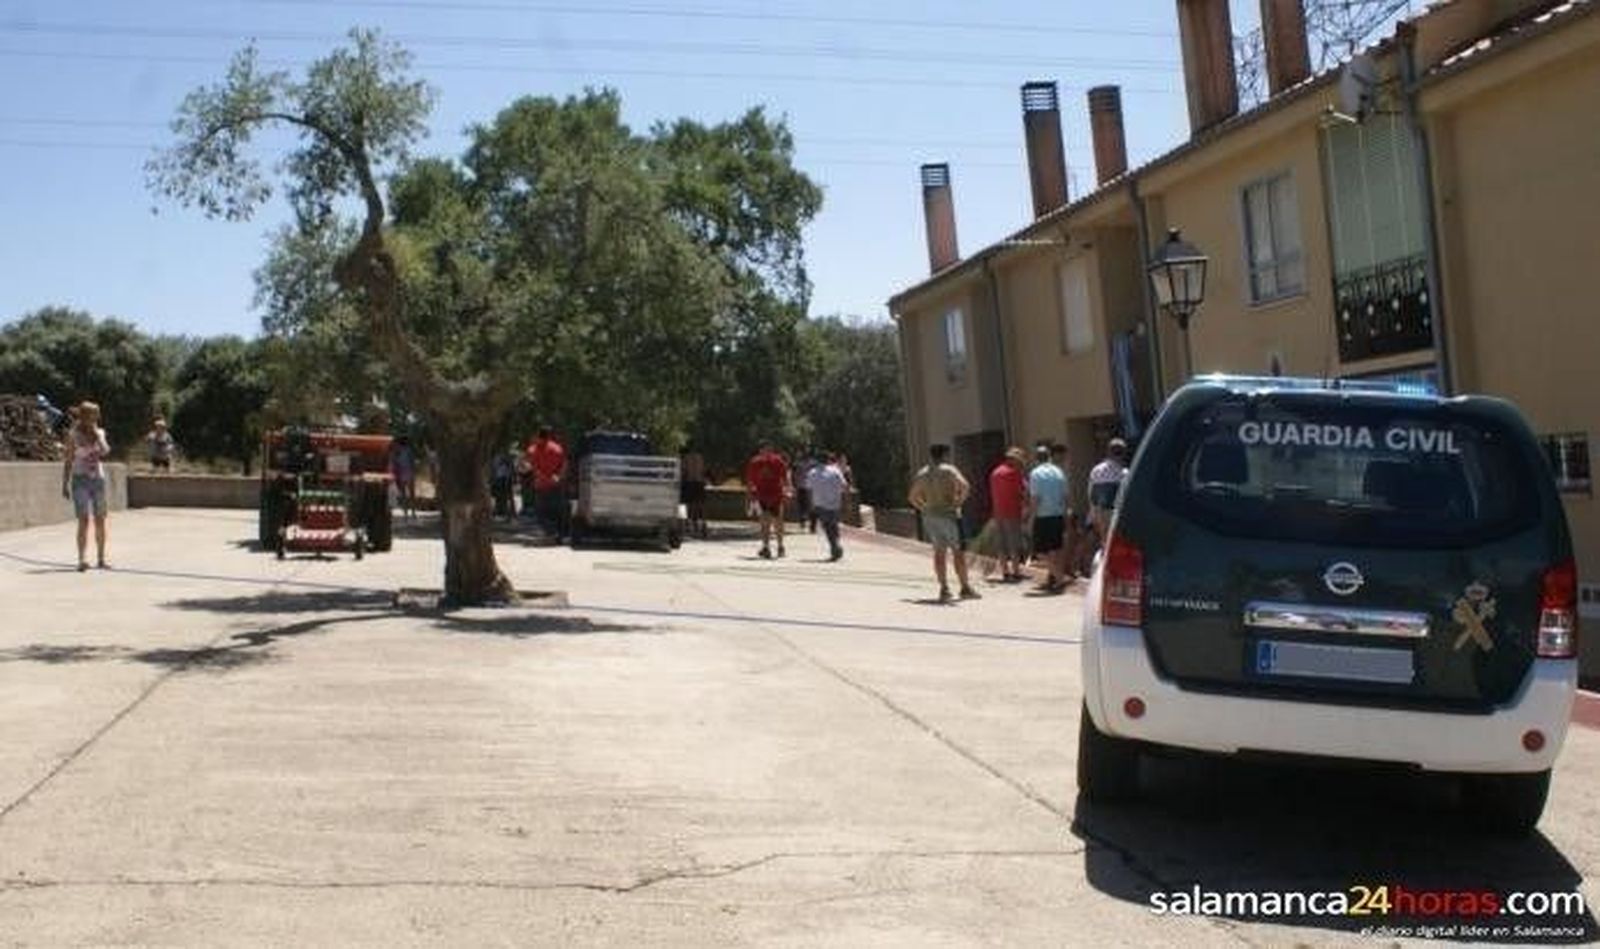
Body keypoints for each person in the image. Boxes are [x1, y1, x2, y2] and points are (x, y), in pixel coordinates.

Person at [908, 443, 980, 603]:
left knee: (939, 552)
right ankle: (965, 587)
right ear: (945, 455)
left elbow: (912, 497)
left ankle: (944, 588)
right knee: (957, 552)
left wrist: (924, 507)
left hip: (931, 516)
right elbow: (966, 486)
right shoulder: (949, 470)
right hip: (948, 515)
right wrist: (958, 502)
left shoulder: (923, 473)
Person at [61, 401, 111, 571]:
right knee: (83, 520)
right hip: (80, 479)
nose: (97, 417)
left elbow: (105, 451)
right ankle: (82, 559)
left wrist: (97, 436)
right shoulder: (73, 435)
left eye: (97, 414)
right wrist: (64, 483)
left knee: (100, 520)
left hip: (98, 479)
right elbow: (68, 460)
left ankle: (101, 559)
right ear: (84, 416)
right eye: (94, 414)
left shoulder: (100, 432)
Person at [1027, 444, 1070, 593]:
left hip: (1043, 516)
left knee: (1040, 552)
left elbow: (1035, 499)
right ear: (1049, 457)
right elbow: (1065, 497)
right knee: (1055, 550)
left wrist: (1030, 520)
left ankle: (1059, 578)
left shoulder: (1035, 474)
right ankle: (1053, 580)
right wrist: (1066, 517)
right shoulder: (1059, 472)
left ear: (1036, 458)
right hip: (1058, 515)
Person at [1084, 438, 1131, 569]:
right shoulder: (1125, 473)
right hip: (1117, 514)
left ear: (1108, 452)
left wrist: (1093, 514)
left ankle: (1104, 569)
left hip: (1100, 512)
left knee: (1104, 544)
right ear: (1123, 453)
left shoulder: (1096, 470)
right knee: (1117, 543)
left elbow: (1091, 494)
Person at [987, 447, 1030, 583]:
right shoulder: (1014, 473)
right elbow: (1024, 491)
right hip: (1012, 512)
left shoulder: (995, 473)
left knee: (1001, 544)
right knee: (1013, 544)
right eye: (1019, 461)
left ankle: (1005, 572)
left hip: (998, 512)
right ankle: (1016, 572)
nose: (1020, 464)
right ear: (1014, 460)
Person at [744, 441, 790, 559]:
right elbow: (785, 478)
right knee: (774, 522)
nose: (767, 452)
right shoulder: (775, 461)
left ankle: (771, 547)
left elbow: (750, 482)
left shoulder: (757, 462)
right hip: (769, 495)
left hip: (769, 495)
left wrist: (748, 499)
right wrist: (788, 491)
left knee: (769, 522)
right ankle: (774, 547)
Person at [527, 426, 568, 540]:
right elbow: (564, 464)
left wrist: (546, 478)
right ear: (549, 436)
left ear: (538, 436)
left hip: (542, 485)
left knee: (541, 512)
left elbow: (535, 469)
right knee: (557, 511)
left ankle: (551, 531)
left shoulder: (533, 450)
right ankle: (559, 534)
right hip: (556, 484)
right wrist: (558, 477)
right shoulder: (558, 448)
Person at [807, 451, 848, 561]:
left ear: (817, 460)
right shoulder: (836, 471)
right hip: (835, 502)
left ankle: (835, 546)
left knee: (827, 526)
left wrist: (811, 504)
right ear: (828, 460)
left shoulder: (812, 472)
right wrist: (844, 501)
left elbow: (809, 490)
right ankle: (836, 544)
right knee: (833, 525)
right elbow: (844, 486)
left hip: (820, 503)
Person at [680, 444, 708, 539]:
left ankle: (690, 524)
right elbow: (703, 470)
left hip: (690, 482)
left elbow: (684, 471)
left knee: (688, 504)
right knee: (700, 505)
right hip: (700, 482)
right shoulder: (700, 457)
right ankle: (703, 524)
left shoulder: (686, 458)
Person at [390, 436, 417, 520]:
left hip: (404, 474)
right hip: (407, 473)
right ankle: (411, 513)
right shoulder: (405, 451)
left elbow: (395, 464)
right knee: (410, 495)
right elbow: (412, 462)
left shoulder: (398, 452)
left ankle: (408, 514)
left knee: (405, 495)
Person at [792, 448, 818, 534]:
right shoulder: (798, 463)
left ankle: (811, 524)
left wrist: (795, 484)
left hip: (808, 487)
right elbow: (794, 475)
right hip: (803, 487)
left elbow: (794, 475)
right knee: (805, 505)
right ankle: (806, 523)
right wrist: (794, 485)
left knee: (807, 506)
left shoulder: (813, 463)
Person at [491, 441, 519, 520]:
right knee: (499, 495)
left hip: (506, 478)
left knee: (508, 495)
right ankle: (501, 511)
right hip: (499, 478)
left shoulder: (507, 457)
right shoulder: (496, 457)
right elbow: (494, 469)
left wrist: (514, 478)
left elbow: (511, 468)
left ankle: (510, 512)